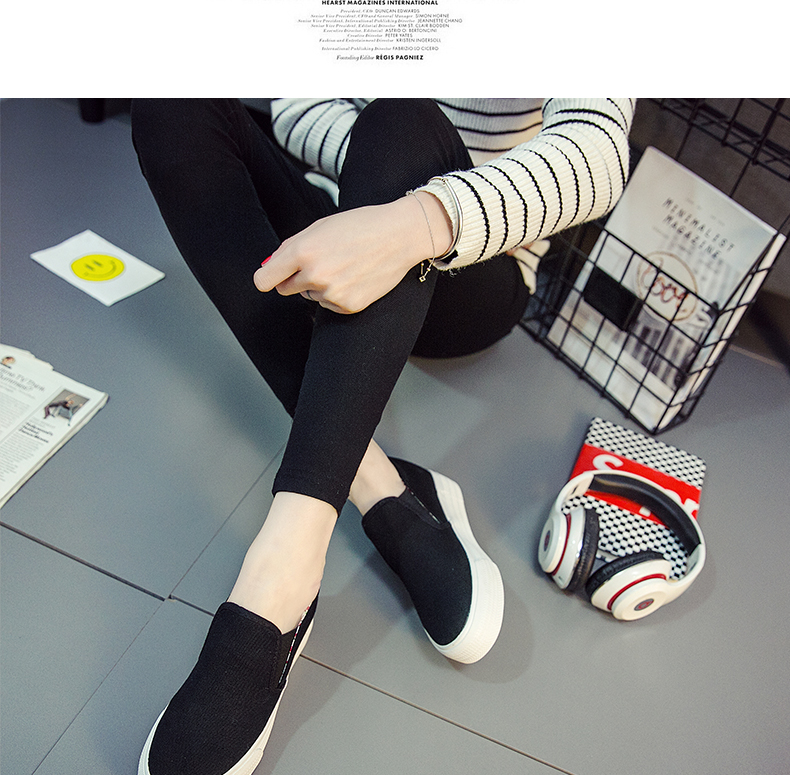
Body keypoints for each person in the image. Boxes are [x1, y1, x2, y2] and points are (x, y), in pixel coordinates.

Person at [131, 97, 634, 775]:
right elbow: (298, 103)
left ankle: (283, 569)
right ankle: (379, 486)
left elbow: (597, 155)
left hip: (472, 257)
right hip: (345, 205)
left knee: (405, 122)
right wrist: (368, 197)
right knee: (173, 104)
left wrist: (413, 218)